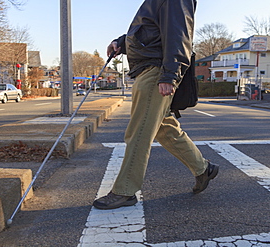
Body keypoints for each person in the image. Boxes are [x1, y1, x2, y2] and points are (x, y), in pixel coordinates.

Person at [93, 0, 219, 210]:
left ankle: (125, 191)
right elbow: (148, 33)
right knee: (165, 129)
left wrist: (170, 75)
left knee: (139, 131)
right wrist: (121, 43)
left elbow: (179, 35)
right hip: (150, 69)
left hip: (156, 71)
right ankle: (203, 169)